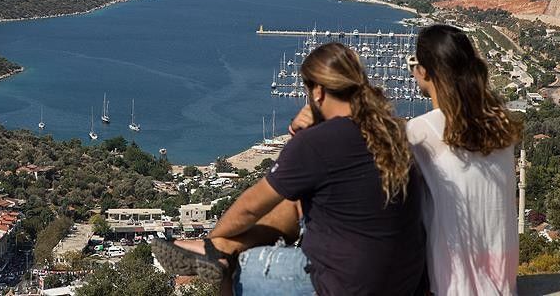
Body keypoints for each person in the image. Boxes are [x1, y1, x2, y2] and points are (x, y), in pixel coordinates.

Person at [153, 42, 426, 295]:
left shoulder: (318, 142)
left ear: (317, 91)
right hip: (402, 280)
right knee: (293, 203)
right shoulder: (395, 133)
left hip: (343, 284)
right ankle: (224, 250)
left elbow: (250, 207)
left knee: (234, 267)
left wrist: (212, 242)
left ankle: (219, 251)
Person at [406, 24, 522, 295]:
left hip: (451, 284)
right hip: (504, 284)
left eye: (414, 64)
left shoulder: (420, 131)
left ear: (424, 71)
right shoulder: (501, 125)